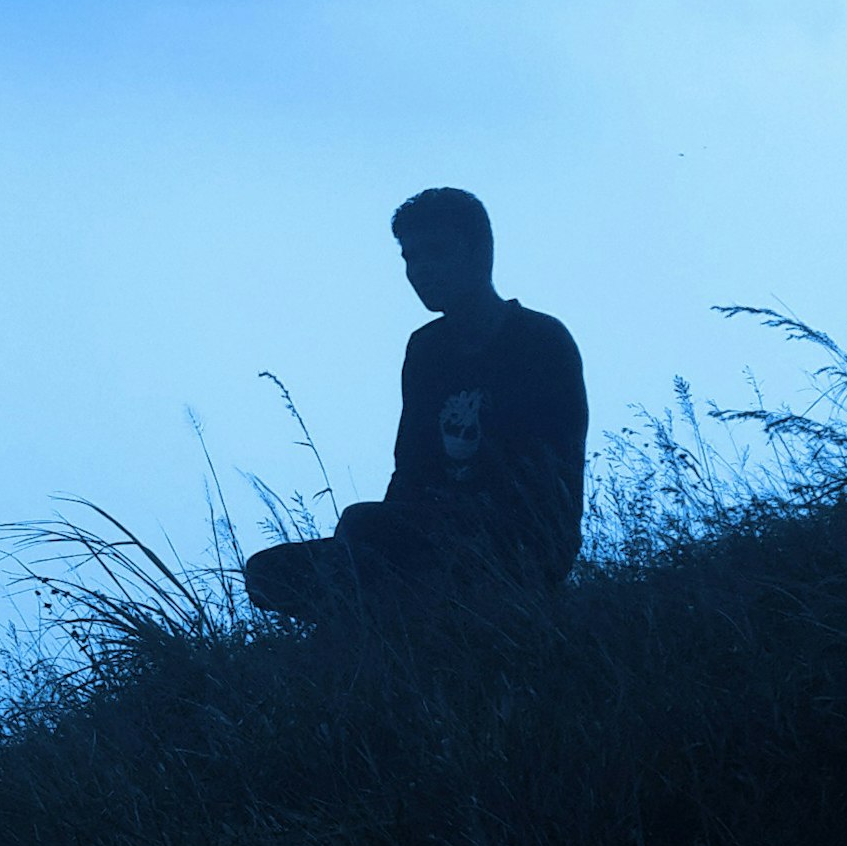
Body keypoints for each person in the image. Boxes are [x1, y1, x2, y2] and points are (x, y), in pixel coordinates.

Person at [244, 188, 590, 623]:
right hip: (428, 534)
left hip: (517, 541)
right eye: (410, 258)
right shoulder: (426, 349)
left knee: (362, 528)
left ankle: (396, 630)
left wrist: (379, 535)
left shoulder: (540, 341)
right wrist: (378, 539)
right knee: (267, 573)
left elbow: (551, 476)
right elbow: (411, 467)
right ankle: (391, 624)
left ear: (482, 252)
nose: (420, 270)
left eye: (436, 252)